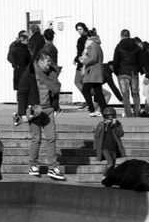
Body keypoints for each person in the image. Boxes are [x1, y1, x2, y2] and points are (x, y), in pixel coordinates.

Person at [27, 50, 65, 181]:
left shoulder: (51, 73)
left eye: (50, 61)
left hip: (48, 109)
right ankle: (33, 165)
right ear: (40, 61)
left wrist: (56, 106)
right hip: (36, 109)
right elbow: (23, 91)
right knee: (36, 138)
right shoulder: (31, 73)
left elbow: (56, 90)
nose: (50, 64)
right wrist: (23, 111)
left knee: (51, 138)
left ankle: (52, 167)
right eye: (48, 61)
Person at [112, 29, 142, 117]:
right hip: (134, 71)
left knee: (125, 95)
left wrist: (116, 72)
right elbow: (140, 60)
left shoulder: (118, 46)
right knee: (135, 93)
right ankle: (137, 112)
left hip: (122, 72)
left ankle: (128, 113)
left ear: (121, 36)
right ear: (129, 35)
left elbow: (115, 61)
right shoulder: (136, 46)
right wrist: (138, 69)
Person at [93, 105, 126, 173]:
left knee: (112, 165)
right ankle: (104, 176)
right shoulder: (101, 124)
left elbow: (120, 134)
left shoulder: (117, 124)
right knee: (110, 163)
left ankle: (108, 177)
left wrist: (115, 126)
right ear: (105, 117)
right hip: (104, 148)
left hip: (114, 147)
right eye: (108, 116)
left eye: (112, 116)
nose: (110, 118)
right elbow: (97, 136)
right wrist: (95, 147)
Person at [81, 30, 106, 116]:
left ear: (88, 37)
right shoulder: (97, 45)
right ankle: (104, 110)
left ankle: (92, 110)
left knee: (85, 90)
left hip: (92, 72)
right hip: (97, 71)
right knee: (98, 92)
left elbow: (93, 58)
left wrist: (83, 60)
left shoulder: (92, 45)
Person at [7, 31, 31, 121]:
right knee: (22, 93)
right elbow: (10, 57)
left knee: (21, 92)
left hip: (19, 72)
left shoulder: (18, 47)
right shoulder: (18, 48)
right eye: (27, 39)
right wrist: (16, 64)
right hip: (22, 72)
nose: (28, 41)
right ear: (22, 38)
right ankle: (22, 112)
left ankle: (22, 111)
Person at [72, 21, 89, 107]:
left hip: (81, 64)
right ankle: (88, 100)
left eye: (80, 29)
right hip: (89, 63)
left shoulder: (81, 39)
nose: (79, 31)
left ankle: (88, 98)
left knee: (77, 81)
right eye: (77, 29)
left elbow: (80, 52)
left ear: (84, 28)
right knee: (85, 82)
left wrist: (75, 59)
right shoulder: (89, 38)